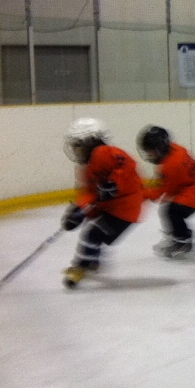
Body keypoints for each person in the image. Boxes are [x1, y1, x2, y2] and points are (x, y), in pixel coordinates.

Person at [60, 118, 144, 288]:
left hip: (125, 209)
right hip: (110, 207)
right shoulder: (85, 166)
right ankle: (92, 260)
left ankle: (81, 266)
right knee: (92, 229)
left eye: (77, 145)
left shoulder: (104, 153)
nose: (75, 150)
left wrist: (115, 183)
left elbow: (128, 166)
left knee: (92, 233)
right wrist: (80, 210)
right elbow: (90, 193)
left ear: (91, 142)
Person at [137, 125, 195, 258]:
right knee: (170, 210)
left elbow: (161, 191)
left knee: (173, 211)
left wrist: (141, 195)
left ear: (160, 148)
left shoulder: (172, 166)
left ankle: (183, 240)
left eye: (150, 151)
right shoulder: (174, 149)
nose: (149, 154)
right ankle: (179, 236)